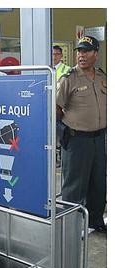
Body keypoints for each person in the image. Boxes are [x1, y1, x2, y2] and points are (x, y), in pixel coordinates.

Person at [56, 36, 106, 233]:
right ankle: (71, 228)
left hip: (99, 139)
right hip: (77, 140)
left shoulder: (103, 77)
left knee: (98, 184)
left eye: (86, 51)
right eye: (79, 51)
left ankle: (95, 221)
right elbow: (56, 109)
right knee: (74, 187)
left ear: (96, 54)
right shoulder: (69, 78)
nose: (81, 55)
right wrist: (63, 133)